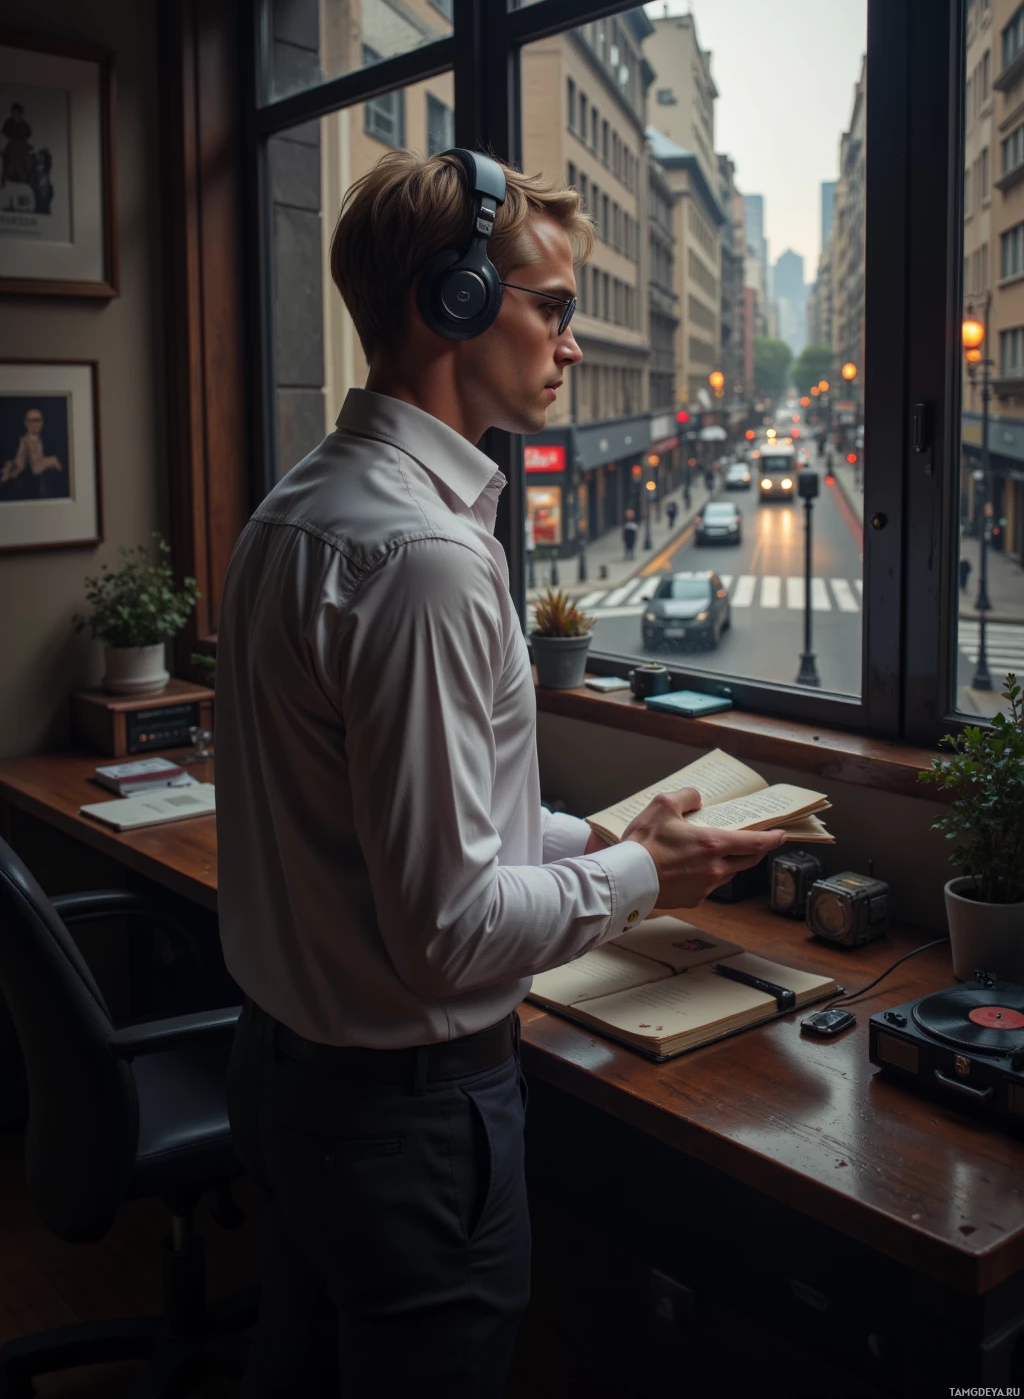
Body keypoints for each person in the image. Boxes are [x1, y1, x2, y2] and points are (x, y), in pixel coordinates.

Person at [215, 147, 785, 1399]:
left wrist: (602, 841)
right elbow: (448, 932)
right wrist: (650, 878)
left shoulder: (298, 509)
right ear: (453, 302)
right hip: (403, 1124)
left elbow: (412, 811)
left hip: (287, 1079)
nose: (570, 344)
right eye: (552, 306)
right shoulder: (423, 559)